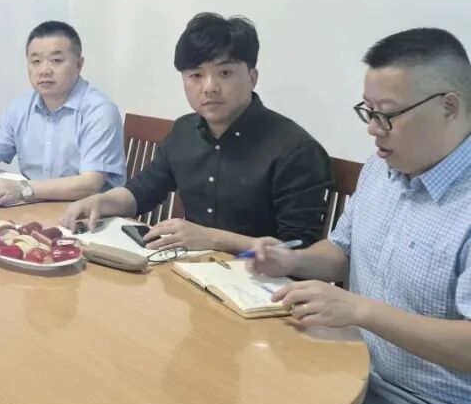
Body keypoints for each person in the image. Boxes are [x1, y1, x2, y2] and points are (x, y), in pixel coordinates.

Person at [241, 27, 471, 404]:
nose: (372, 129)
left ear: (449, 106)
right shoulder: (381, 169)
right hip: (357, 374)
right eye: (368, 112)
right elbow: (341, 252)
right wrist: (289, 260)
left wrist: (361, 311)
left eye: (387, 115)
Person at [60, 13, 331, 252]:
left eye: (225, 73)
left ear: (252, 77)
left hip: (261, 284)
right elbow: (143, 190)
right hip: (191, 272)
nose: (209, 87)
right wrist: (101, 201)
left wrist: (213, 239)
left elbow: (299, 249)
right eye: (196, 75)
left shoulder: (295, 149)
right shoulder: (185, 131)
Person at [0, 21, 125, 206]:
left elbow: (90, 185)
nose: (44, 70)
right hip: (36, 207)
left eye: (56, 60)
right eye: (36, 61)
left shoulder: (99, 111)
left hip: (91, 216)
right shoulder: (21, 107)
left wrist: (23, 189)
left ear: (78, 65)